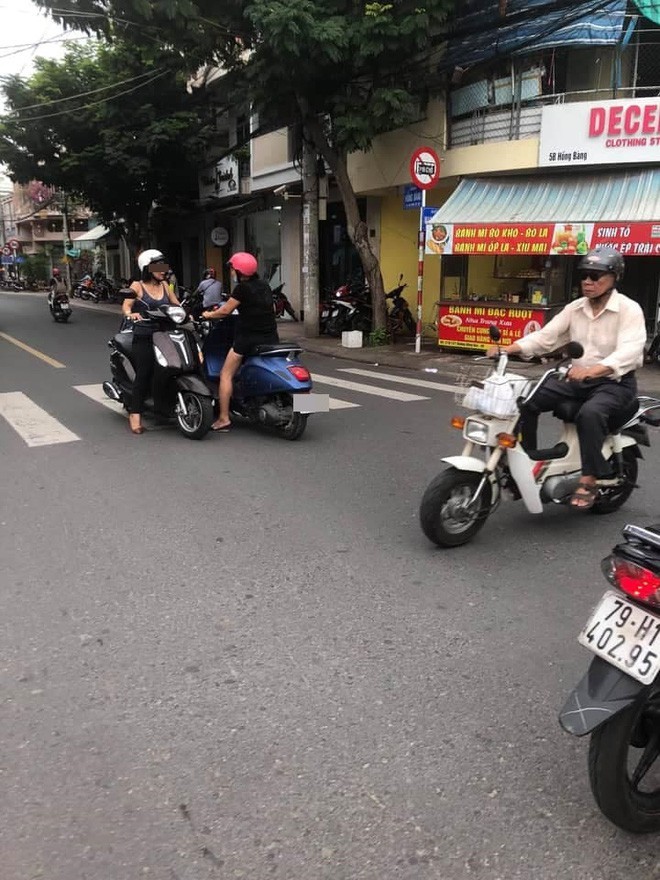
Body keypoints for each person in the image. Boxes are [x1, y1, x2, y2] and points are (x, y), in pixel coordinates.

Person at [487, 247, 646, 510]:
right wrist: (509, 349)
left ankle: (589, 478)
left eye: (596, 276)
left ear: (614, 277)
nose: (588, 281)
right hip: (577, 382)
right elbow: (546, 337)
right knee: (526, 399)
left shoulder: (629, 310)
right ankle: (527, 461)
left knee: (590, 413)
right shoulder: (575, 308)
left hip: (615, 385)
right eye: (584, 275)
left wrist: (594, 370)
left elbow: (630, 351)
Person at [201, 251, 278, 432]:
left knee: (225, 374)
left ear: (238, 271)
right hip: (271, 337)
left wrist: (208, 315)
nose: (231, 272)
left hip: (248, 339)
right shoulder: (264, 285)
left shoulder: (242, 289)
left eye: (232, 269)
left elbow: (225, 311)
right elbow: (272, 308)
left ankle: (223, 418)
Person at [121, 249, 181, 435]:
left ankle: (161, 406)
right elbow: (126, 305)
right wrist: (131, 314)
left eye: (164, 266)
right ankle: (135, 413)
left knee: (169, 368)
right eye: (158, 266)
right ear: (147, 268)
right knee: (144, 373)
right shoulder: (137, 286)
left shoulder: (165, 285)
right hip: (144, 336)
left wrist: (188, 314)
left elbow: (176, 304)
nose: (163, 270)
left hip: (164, 334)